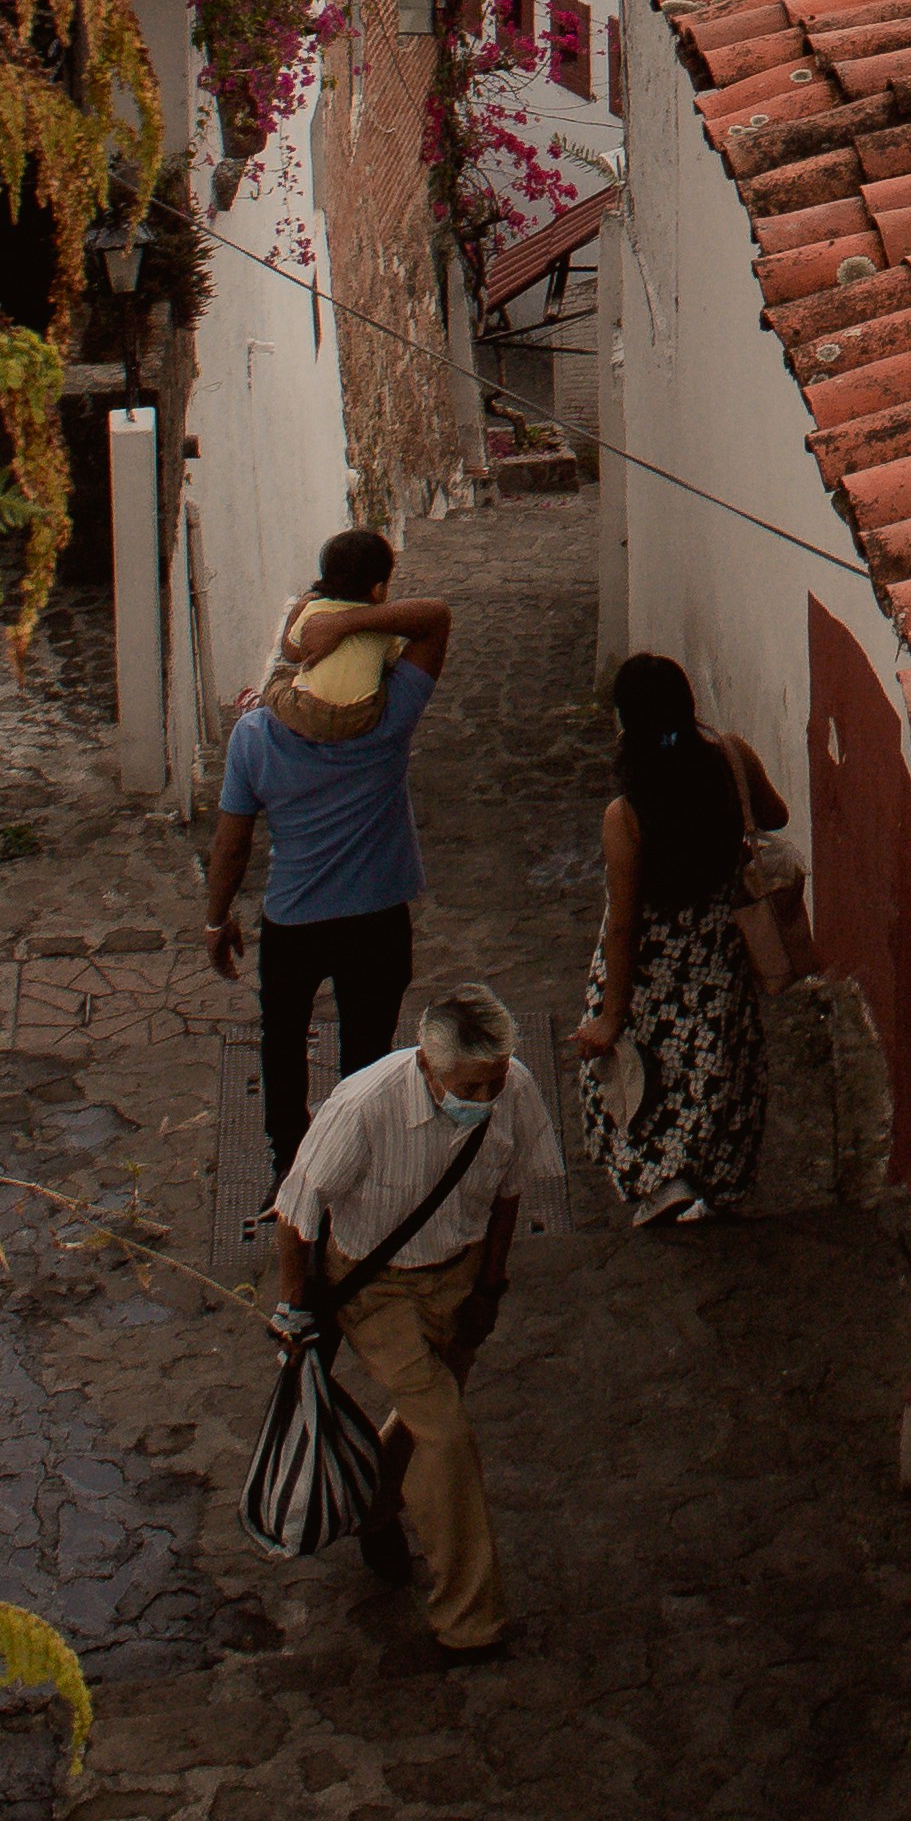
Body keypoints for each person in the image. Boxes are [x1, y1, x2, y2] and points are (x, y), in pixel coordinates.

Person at [269, 980, 561, 1660]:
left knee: (430, 1408)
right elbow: (297, 1211)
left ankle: (374, 1507)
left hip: (458, 1278)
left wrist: (491, 1285)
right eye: (470, 1085)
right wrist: (293, 1306)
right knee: (448, 1433)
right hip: (376, 1291)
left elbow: (510, 1191)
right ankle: (469, 1619)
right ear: (428, 1065)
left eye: (492, 1081)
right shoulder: (362, 1108)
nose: (484, 1098)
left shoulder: (513, 1087)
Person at [204, 527, 450, 1181]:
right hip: (376, 915)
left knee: (281, 1045)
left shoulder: (255, 734)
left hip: (294, 919)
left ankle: (292, 1171)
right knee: (367, 1054)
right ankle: (360, 1165)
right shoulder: (390, 716)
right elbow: (434, 621)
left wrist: (215, 917)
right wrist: (358, 623)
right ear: (375, 593)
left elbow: (233, 843)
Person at [567, 656, 782, 1227]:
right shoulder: (731, 756)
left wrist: (611, 1015)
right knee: (713, 1060)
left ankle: (661, 1180)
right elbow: (775, 816)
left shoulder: (627, 813)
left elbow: (623, 921)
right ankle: (710, 1177)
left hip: (652, 964)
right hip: (718, 949)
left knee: (639, 1069)